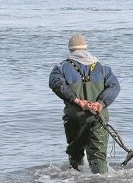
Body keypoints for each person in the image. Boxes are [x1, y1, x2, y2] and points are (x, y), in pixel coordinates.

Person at [49, 34, 121, 173]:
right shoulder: (103, 69)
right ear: (86, 49)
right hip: (99, 116)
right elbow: (114, 86)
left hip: (75, 118)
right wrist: (100, 104)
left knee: (75, 154)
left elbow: (56, 85)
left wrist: (77, 101)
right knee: (98, 156)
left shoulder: (60, 68)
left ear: (71, 50)